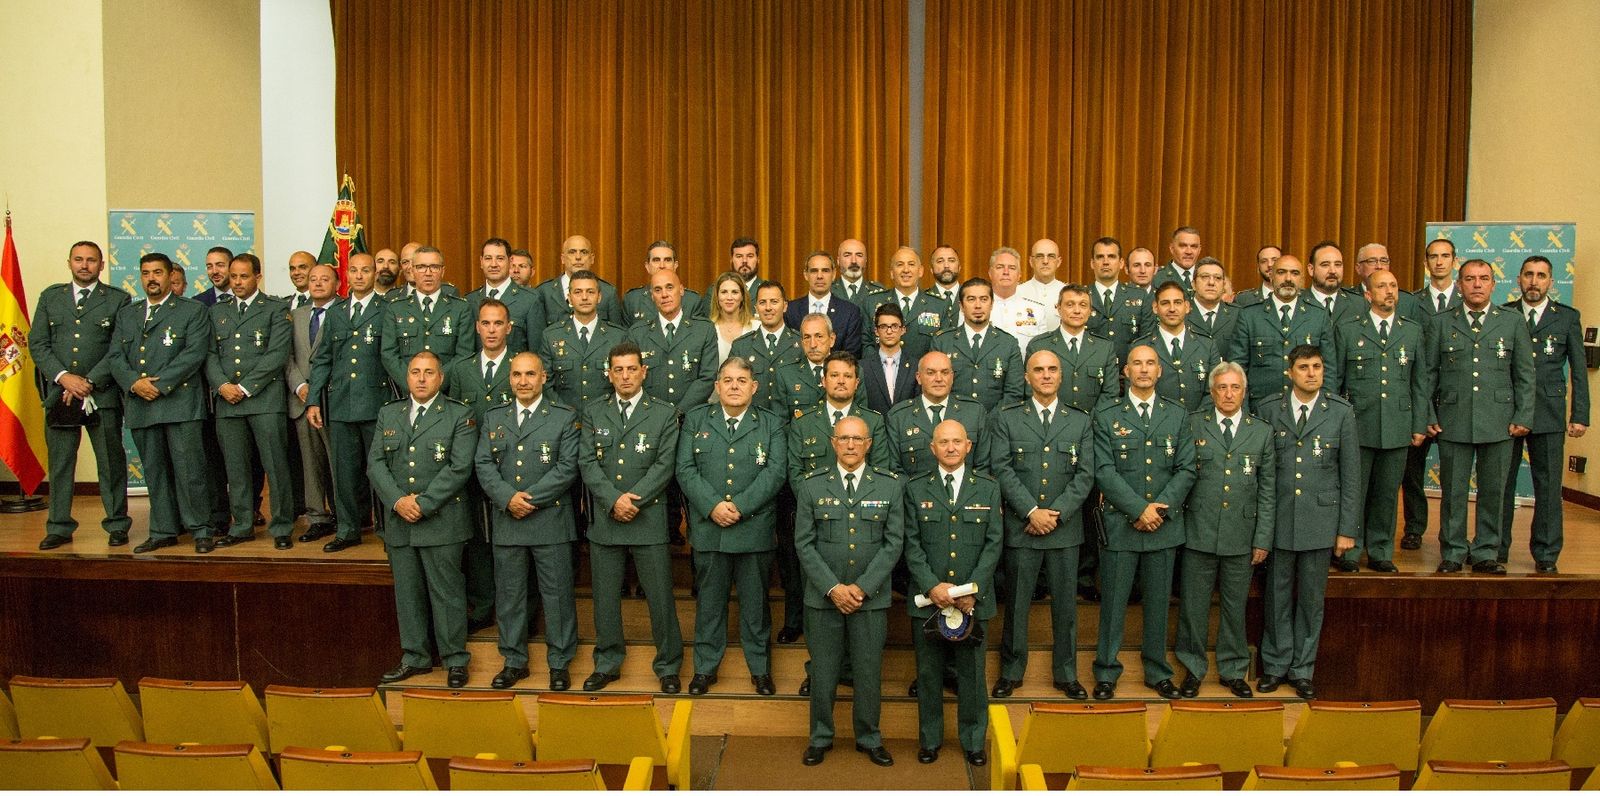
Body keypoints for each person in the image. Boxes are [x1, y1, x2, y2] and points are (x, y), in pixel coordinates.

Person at [794, 415, 905, 768]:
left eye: (858, 439)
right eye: (844, 438)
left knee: (868, 672)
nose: (851, 445)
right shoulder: (811, 486)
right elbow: (804, 544)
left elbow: (894, 543)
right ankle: (820, 737)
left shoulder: (890, 486)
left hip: (869, 599)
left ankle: (869, 737)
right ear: (833, 442)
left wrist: (861, 588)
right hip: (823, 598)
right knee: (823, 673)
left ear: (869, 444)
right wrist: (833, 588)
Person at [989, 350, 1096, 700]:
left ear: (1061, 377)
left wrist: (1056, 513)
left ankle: (1066, 674)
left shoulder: (1079, 421)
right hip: (1023, 528)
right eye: (1038, 370)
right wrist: (1031, 511)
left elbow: (1085, 475)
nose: (1046, 375)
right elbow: (1002, 468)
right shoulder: (1008, 418)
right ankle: (1011, 671)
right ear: (1026, 377)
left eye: (1052, 370)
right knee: (1017, 606)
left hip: (1064, 530)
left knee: (1066, 607)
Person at [1090, 344, 1195, 700]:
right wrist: (1138, 509)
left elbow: (1186, 468)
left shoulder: (1178, 415)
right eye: (1137, 363)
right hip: (1121, 526)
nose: (1145, 369)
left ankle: (1157, 671)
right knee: (1114, 604)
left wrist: (1157, 511)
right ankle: (1106, 670)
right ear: (1126, 371)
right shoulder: (1106, 415)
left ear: (1160, 371)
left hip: (1162, 527)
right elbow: (1103, 471)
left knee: (1158, 604)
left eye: (1151, 363)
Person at [579, 342, 685, 693]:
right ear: (609, 374)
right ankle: (607, 662)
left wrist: (633, 500)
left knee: (660, 598)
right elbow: (587, 463)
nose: (625, 376)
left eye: (631, 369)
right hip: (607, 519)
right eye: (618, 370)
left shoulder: (664, 413)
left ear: (644, 371)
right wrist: (613, 500)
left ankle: (668, 664)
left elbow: (665, 464)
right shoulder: (594, 411)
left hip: (648, 519)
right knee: (605, 599)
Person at [679, 357, 788, 696]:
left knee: (756, 608)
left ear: (754, 387)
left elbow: (775, 473)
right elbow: (684, 469)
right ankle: (705, 669)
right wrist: (713, 506)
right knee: (709, 605)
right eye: (728, 380)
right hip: (710, 530)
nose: (735, 386)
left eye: (742, 380)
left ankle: (760, 669)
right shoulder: (697, 419)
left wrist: (739, 506)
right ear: (717, 386)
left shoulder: (770, 424)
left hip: (753, 531)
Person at [370, 351, 478, 689]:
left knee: (447, 593)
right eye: (415, 372)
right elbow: (375, 463)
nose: (420, 378)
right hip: (400, 521)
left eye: (428, 372)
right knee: (408, 593)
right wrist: (399, 501)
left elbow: (460, 467)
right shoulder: (389, 414)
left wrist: (424, 503)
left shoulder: (459, 415)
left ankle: (454, 659)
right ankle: (414, 657)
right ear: (406, 377)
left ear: (440, 378)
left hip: (442, 521)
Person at [1257, 345, 1359, 699]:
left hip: (1321, 520)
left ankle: (1303, 670)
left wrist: (1346, 530)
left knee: (1311, 601)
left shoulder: (1341, 413)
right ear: (1290, 372)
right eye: (1303, 367)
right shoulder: (1270, 409)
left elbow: (1351, 475)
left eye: (1317, 366)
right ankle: (1274, 666)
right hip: (1280, 519)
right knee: (1276, 598)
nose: (1311, 373)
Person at [474, 351, 580, 690]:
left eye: (530, 374)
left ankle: (560, 663)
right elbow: (483, 465)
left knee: (557, 596)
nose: (523, 381)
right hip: (508, 521)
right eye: (517, 375)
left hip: (550, 520)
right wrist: (508, 498)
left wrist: (529, 499)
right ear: (510, 378)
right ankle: (514, 660)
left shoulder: (563, 417)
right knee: (510, 596)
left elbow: (568, 467)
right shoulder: (494, 418)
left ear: (544, 377)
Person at [1422, 259, 1536, 574]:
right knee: (1454, 493)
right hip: (1453, 419)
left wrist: (1524, 414)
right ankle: (1454, 552)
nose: (1476, 284)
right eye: (1470, 279)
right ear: (1459, 284)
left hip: (1500, 421)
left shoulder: (1511, 321)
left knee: (1494, 491)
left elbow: (1525, 375)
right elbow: (1427, 375)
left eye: (1483, 278)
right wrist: (1427, 414)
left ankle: (1487, 551)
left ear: (1493, 284)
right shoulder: (1442, 322)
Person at [905, 419, 1002, 766]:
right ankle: (930, 739)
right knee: (929, 675)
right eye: (943, 442)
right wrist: (933, 586)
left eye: (956, 441)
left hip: (972, 602)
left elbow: (994, 544)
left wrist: (972, 590)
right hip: (929, 601)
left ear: (968, 446)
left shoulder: (988, 488)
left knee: (973, 676)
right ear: (932, 448)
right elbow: (911, 545)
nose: (950, 448)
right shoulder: (915, 489)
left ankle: (974, 740)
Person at [1176, 362, 1273, 699]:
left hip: (1241, 535)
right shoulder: (1192, 425)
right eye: (1222, 387)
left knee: (1234, 607)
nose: (1228, 394)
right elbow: (1181, 479)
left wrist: (1262, 537)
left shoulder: (1260, 431)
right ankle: (1192, 668)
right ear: (1212, 391)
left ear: (1244, 391)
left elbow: (1267, 490)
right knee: (1194, 606)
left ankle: (1233, 670)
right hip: (1198, 531)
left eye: (1235, 388)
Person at [107, 253, 215, 553]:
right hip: (141, 404)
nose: (151, 278)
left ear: (170, 277)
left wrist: (160, 384)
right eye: (145, 273)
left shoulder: (192, 310)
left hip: (179, 402)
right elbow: (115, 356)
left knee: (190, 470)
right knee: (154, 472)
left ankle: (201, 529)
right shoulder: (128, 314)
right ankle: (162, 530)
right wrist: (134, 383)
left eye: (157, 272)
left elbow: (194, 353)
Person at [32, 240, 133, 550]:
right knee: (61, 464)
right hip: (61, 394)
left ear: (101, 265)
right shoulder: (51, 297)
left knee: (110, 462)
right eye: (79, 259)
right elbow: (38, 344)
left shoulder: (117, 300)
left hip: (100, 394)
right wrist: (65, 378)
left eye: (91, 260)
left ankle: (117, 524)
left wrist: (88, 381)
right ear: (70, 262)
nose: (85, 265)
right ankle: (59, 526)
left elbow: (120, 347)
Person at [1025, 283, 1119, 601]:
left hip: (1089, 435)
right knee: (1045, 496)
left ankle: (1082, 576)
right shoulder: (1041, 344)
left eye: (1083, 305)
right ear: (1058, 308)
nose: (1076, 310)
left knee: (1088, 505)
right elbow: (1033, 392)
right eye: (1070, 304)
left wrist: (1089, 431)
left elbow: (1109, 398)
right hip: (1047, 435)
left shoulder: (1104, 348)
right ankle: (1040, 580)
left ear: (1090, 311)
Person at [1332, 269, 1427, 573]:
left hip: (1398, 425)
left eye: (1393, 285)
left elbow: (1419, 382)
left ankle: (1380, 550)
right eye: (1381, 286)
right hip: (1358, 424)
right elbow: (1335, 383)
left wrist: (1418, 424)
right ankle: (1349, 550)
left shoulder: (1412, 330)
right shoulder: (1348, 330)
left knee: (1387, 493)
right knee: (1354, 491)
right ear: (1368, 295)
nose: (1389, 291)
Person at [1499, 256, 1588, 573]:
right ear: (1518, 279)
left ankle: (1547, 553)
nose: (1534, 281)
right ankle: (1496, 549)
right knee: (1500, 486)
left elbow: (1579, 370)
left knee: (1548, 487)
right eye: (1528, 275)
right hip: (1507, 412)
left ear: (1552, 281)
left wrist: (1580, 415)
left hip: (1549, 414)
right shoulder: (1504, 314)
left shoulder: (1566, 318)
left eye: (1541, 276)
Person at [206, 253, 297, 549]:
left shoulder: (275, 308)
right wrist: (222, 385)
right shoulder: (216, 312)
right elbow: (208, 355)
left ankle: (282, 525)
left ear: (257, 277)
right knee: (236, 468)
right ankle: (242, 524)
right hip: (227, 403)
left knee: (275, 465)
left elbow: (277, 354)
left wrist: (244, 387)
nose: (237, 282)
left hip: (264, 400)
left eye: (244, 276)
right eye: (233, 277)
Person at [307, 252, 390, 553]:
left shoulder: (387, 310)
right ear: (346, 275)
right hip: (340, 403)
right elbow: (322, 360)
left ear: (374, 274)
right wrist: (314, 400)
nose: (359, 276)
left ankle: (385, 528)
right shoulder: (336, 312)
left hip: (376, 403)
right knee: (342, 471)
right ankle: (347, 529)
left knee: (379, 470)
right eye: (353, 270)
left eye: (365, 270)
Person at [444, 299, 518, 633]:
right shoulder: (461, 369)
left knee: (509, 542)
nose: (491, 330)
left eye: (498, 323)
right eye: (485, 323)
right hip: (472, 469)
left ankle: (512, 610)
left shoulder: (520, 366)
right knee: (477, 542)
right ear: (477, 327)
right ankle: (483, 604)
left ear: (509, 327)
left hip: (511, 470)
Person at [1400, 237, 1463, 551]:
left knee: (1455, 474)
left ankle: (1453, 536)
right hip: (1419, 399)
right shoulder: (1412, 302)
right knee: (1412, 472)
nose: (1439, 262)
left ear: (1455, 261)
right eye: (1433, 257)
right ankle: (1414, 528)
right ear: (1426, 263)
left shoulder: (1468, 301)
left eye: (1445, 256)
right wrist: (1422, 408)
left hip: (1456, 401)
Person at [1226, 254, 1337, 410]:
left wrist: (1326, 411)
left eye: (1295, 273)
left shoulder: (1318, 316)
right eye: (1281, 272)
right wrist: (1242, 411)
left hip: (1307, 409)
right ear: (1271, 276)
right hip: (1260, 409)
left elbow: (1329, 370)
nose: (1288, 278)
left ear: (1302, 279)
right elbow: (1237, 368)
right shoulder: (1249, 315)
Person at [285, 263, 339, 544]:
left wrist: (318, 389)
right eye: (313, 279)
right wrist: (301, 386)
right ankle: (317, 517)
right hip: (301, 400)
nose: (317, 283)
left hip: (332, 400)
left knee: (337, 462)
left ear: (337, 283)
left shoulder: (343, 312)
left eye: (324, 279)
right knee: (310, 464)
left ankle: (343, 515)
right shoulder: (295, 315)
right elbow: (288, 357)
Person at [380, 246, 475, 388]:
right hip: (408, 396)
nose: (428, 273)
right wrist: (413, 383)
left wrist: (437, 382)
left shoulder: (460, 308)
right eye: (421, 267)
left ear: (443, 271)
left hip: (447, 394)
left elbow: (464, 355)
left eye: (434, 267)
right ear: (412, 271)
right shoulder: (395, 308)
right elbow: (389, 355)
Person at [930, 277, 1024, 407]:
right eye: (971, 299)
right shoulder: (942, 342)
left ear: (991, 304)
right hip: (953, 422)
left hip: (996, 424)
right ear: (961, 306)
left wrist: (990, 422)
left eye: (984, 299)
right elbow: (935, 388)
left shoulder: (1008, 343)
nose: (978, 305)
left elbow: (1014, 393)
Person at [1134, 281, 1217, 412]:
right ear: (1155, 307)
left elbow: (1214, 390)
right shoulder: (1141, 346)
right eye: (1165, 303)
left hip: (1199, 424)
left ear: (1187, 306)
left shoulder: (1207, 345)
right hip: (1157, 425)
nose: (1172, 309)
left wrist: (1196, 420)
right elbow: (1137, 394)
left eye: (1177, 302)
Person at [464, 236, 546, 356]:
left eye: (500, 258)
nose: (493, 264)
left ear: (510, 261)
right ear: (481, 262)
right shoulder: (469, 300)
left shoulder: (530, 300)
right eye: (488, 258)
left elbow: (537, 351)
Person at [870, 246, 953, 360]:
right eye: (900, 264)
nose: (906, 270)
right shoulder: (872, 302)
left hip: (923, 374)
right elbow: (867, 344)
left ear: (920, 271)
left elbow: (943, 347)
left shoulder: (939, 306)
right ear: (891, 273)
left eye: (911, 264)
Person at [728, 281, 802, 410]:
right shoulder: (741, 346)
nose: (768, 308)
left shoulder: (801, 343)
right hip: (753, 423)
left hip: (791, 424)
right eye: (762, 302)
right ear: (756, 308)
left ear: (785, 306)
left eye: (774, 302)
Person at [534, 235, 625, 327]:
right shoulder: (544, 292)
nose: (578, 257)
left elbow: (616, 335)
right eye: (572, 252)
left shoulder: (608, 292)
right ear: (563, 258)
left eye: (584, 252)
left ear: (592, 258)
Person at [1086, 237, 1153, 359]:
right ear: (1092, 263)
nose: (1105, 262)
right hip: (1090, 373)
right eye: (1100, 257)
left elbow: (1147, 340)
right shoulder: (1081, 296)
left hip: (1129, 373)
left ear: (1121, 263)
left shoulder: (1140, 296)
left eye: (1111, 256)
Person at [786, 251, 862, 354]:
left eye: (825, 271)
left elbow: (851, 355)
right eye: (814, 271)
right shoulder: (790, 310)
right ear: (806, 275)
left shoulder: (850, 312)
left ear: (834, 274)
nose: (819, 276)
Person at [987, 246, 1053, 353]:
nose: (1006, 272)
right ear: (990, 273)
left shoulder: (1036, 310)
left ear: (1019, 275)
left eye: (1012, 268)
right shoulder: (977, 308)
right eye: (1000, 267)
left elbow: (1042, 351)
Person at [624, 241, 708, 324]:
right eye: (656, 260)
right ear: (647, 266)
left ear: (675, 265)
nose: (662, 265)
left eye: (667, 260)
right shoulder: (633, 300)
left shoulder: (692, 301)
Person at [862, 304, 919, 415]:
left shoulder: (916, 366)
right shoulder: (863, 367)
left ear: (903, 330)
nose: (889, 331)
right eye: (883, 326)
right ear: (876, 331)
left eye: (894, 326)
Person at [1305, 241, 1370, 326]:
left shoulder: (1359, 304)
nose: (1332, 271)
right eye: (1325, 265)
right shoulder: (1297, 302)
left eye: (1338, 264)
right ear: (1311, 269)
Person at [1188, 258, 1238, 355]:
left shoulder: (1238, 315)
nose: (1211, 283)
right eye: (1205, 277)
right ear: (1193, 284)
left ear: (1223, 285)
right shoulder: (1181, 313)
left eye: (1217, 278)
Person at [832, 238, 890, 319]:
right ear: (838, 260)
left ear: (865, 260)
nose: (854, 261)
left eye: (859, 255)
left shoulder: (880, 293)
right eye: (847, 255)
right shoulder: (828, 290)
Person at [709, 271, 759, 363]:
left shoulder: (756, 327)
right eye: (724, 292)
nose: (729, 297)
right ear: (717, 296)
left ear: (742, 296)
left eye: (735, 292)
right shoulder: (708, 329)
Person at [1020, 238, 1068, 313]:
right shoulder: (1017, 292)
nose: (1045, 261)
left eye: (1051, 256)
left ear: (1058, 262)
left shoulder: (1068, 293)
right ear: (1031, 261)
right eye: (1039, 256)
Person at [1153, 226, 1203, 296]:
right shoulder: (1157, 277)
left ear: (1199, 250)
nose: (1189, 252)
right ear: (1172, 248)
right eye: (1183, 246)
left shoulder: (1208, 277)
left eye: (1194, 246)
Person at [727, 237, 766, 312]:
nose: (744, 261)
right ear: (731, 260)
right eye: (739, 256)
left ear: (758, 260)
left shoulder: (769, 291)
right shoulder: (715, 290)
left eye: (750, 256)